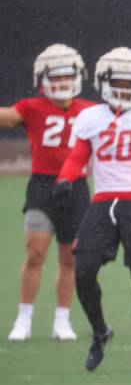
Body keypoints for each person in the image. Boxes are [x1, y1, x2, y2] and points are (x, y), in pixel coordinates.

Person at [53, 47, 131, 373]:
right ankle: (100, 332)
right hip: (102, 203)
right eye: (119, 84)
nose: (125, 91)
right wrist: (65, 178)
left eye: (130, 84)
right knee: (82, 271)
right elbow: (78, 156)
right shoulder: (91, 117)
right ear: (104, 83)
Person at [2, 44, 94, 341]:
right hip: (42, 187)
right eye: (56, 77)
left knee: (70, 258)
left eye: (68, 77)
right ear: (42, 79)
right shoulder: (32, 107)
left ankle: (62, 321)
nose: (63, 83)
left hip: (76, 188)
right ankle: (24, 319)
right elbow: (7, 116)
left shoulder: (90, 110)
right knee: (35, 254)